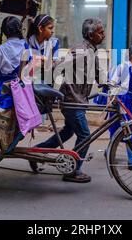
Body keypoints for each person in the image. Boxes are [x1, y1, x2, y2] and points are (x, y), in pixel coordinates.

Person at [28, 18, 106, 183]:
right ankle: (73, 170)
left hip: (78, 100)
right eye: (100, 32)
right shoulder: (80, 50)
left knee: (67, 132)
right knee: (85, 135)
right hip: (72, 100)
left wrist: (113, 84)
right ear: (91, 35)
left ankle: (36, 151)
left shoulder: (92, 50)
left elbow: (99, 75)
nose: (103, 34)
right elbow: (60, 67)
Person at [108, 44, 132, 171]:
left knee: (127, 129)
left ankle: (111, 152)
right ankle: (130, 160)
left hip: (129, 102)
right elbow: (112, 84)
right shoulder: (123, 67)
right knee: (120, 129)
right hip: (120, 100)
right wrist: (113, 100)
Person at [26, 14, 59, 84]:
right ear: (41, 29)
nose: (52, 31)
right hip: (29, 80)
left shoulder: (54, 43)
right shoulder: (28, 42)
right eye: (50, 28)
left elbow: (55, 63)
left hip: (46, 81)